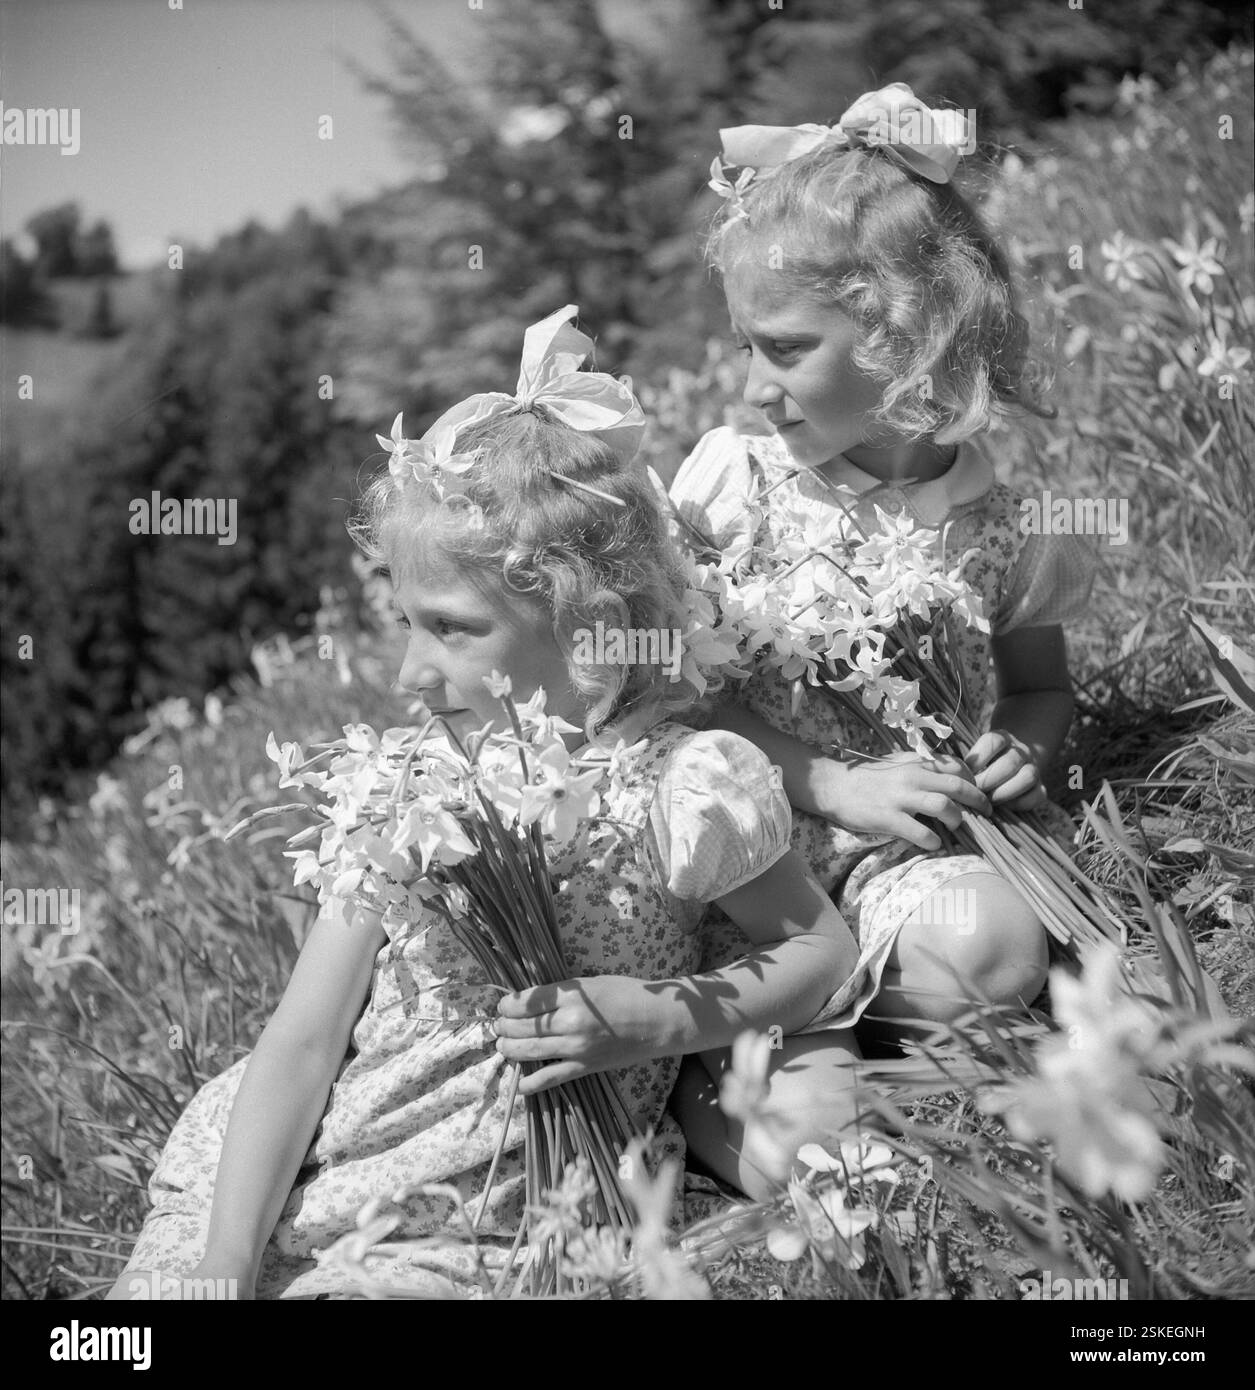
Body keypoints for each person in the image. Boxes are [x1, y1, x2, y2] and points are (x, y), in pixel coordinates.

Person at [107, 307, 870, 1301]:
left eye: (452, 629)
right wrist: (225, 1259)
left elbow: (820, 956)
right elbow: (302, 1039)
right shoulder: (400, 791)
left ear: (590, 630)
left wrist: (659, 1019)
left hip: (514, 1219)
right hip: (323, 1176)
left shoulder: (685, 785)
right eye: (403, 623)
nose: (411, 673)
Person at [672, 86, 1100, 1047]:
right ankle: (774, 1006)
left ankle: (825, 1011)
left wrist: (1022, 748)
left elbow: (1039, 688)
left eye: (783, 349)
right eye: (745, 345)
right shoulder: (733, 482)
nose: (750, 386)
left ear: (907, 336)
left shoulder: (1002, 520)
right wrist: (831, 785)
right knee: (996, 962)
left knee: (991, 951)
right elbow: (674, 695)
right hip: (757, 841)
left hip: (915, 845)